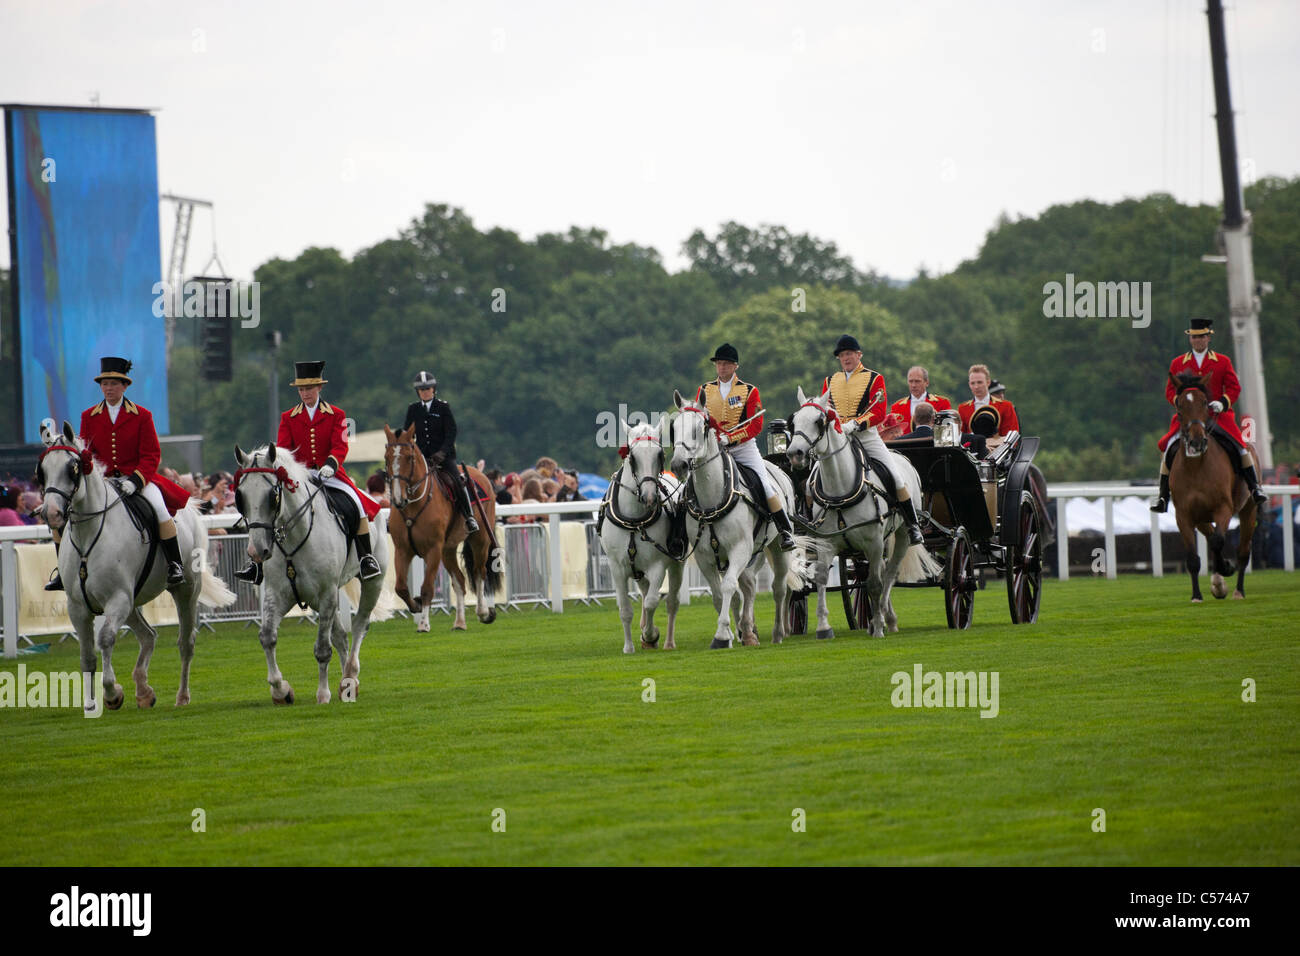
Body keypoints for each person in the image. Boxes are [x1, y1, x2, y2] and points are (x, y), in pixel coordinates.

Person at [46, 357, 191, 590]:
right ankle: (62, 572)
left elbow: (152, 455)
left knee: (160, 509)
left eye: (114, 383)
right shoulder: (88, 416)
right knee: (60, 517)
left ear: (124, 386)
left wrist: (135, 480)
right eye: (105, 384)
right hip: (101, 482)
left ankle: (174, 564)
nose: (109, 388)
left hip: (138, 480)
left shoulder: (142, 415)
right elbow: (87, 453)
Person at [235, 360, 381, 583]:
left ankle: (365, 558)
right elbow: (283, 451)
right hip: (299, 476)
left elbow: (340, 446)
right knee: (270, 509)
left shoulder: (337, 415)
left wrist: (331, 465)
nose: (304, 394)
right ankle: (258, 566)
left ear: (319, 388)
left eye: (309, 389)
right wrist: (288, 472)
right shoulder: (288, 417)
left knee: (358, 505)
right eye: (301, 390)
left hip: (329, 474)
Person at [1150, 318, 1267, 513]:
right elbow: (1170, 391)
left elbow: (1233, 387)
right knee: (1168, 447)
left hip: (1217, 415)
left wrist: (1222, 402)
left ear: (1208, 338)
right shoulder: (1178, 363)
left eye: (1201, 336)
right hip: (1189, 417)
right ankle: (1163, 496)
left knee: (1241, 447)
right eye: (1194, 337)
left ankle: (1255, 488)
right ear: (1190, 339)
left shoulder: (1222, 361)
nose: (1198, 340)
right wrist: (1181, 404)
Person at [820, 335, 924, 545]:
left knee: (895, 477)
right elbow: (825, 410)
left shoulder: (874, 378)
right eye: (842, 355)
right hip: (839, 439)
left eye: (849, 354)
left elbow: (878, 412)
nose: (846, 358)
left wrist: (856, 425)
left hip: (866, 437)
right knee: (815, 477)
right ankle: (816, 521)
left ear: (859, 355)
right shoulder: (830, 381)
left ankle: (912, 525)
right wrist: (834, 423)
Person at [697, 343, 795, 550]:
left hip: (743, 448)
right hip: (713, 449)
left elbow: (755, 425)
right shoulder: (704, 390)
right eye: (719, 364)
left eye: (726, 364)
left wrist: (730, 439)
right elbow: (699, 419)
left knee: (764, 484)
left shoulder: (749, 391)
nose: (721, 368)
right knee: (692, 480)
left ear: (735, 367)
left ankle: (784, 530)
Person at [401, 370, 479, 533]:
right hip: (422, 457)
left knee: (457, 481)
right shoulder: (413, 409)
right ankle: (399, 516)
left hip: (443, 457)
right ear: (418, 392)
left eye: (428, 389)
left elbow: (451, 432)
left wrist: (442, 453)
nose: (425, 392)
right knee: (402, 480)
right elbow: (408, 433)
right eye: (422, 390)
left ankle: (468, 516)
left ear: (434, 389)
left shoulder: (443, 407)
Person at [957, 364, 1020, 437]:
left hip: (999, 447)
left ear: (988, 382)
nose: (976, 387)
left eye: (980, 382)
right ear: (969, 384)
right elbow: (961, 437)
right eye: (972, 383)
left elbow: (1012, 436)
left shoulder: (1006, 406)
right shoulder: (963, 408)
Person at [889, 366, 952, 430]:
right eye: (911, 381)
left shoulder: (942, 403)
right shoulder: (897, 407)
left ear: (927, 382)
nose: (913, 385)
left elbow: (948, 429)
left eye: (917, 381)